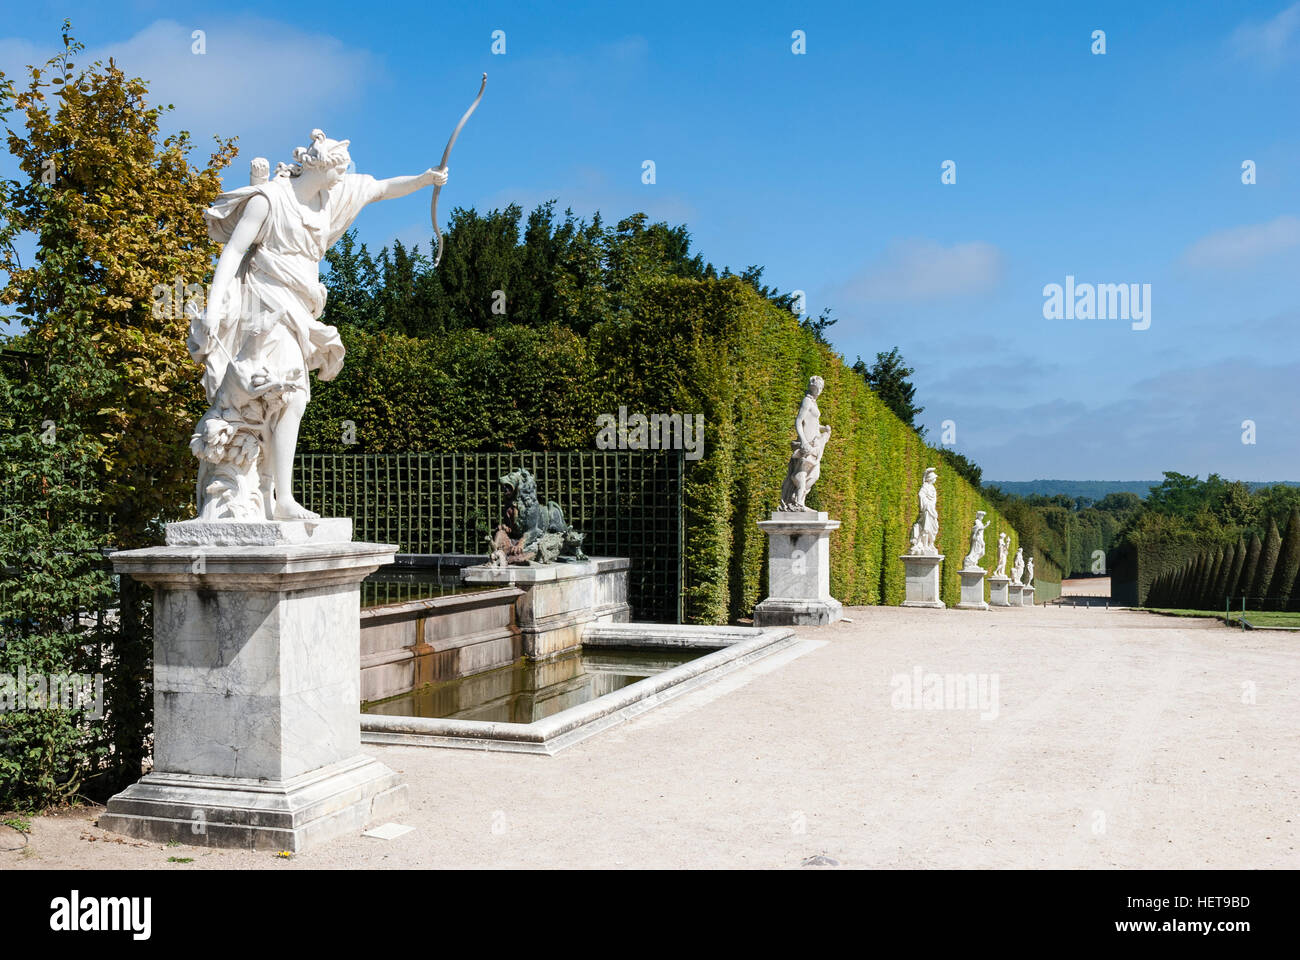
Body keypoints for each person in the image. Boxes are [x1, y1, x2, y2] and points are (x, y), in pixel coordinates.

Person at [189, 130, 447, 520]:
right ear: (320, 167)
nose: (343, 179)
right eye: (337, 171)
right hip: (264, 303)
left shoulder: (330, 198)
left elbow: (379, 189)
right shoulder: (269, 200)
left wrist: (425, 179)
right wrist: (212, 308)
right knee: (268, 391)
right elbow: (233, 252)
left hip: (299, 309)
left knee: (293, 397)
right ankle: (254, 492)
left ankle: (281, 498)